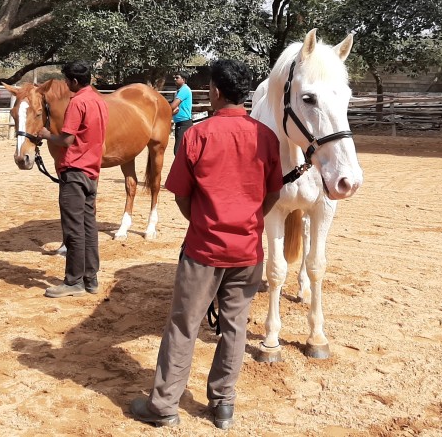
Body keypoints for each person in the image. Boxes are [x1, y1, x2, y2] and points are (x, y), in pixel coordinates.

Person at [130, 59, 283, 430]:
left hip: (204, 250)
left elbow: (181, 195)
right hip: (247, 251)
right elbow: (274, 193)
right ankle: (223, 404)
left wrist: (202, 221)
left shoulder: (198, 135)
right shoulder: (266, 137)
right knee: (235, 327)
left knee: (184, 325)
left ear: (215, 91)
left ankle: (164, 404)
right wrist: (248, 221)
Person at [38, 60, 108, 298]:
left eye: (68, 81)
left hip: (75, 170)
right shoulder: (99, 100)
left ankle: (73, 281)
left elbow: (66, 140)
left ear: (75, 81)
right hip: (91, 171)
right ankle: (91, 278)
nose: (67, 84)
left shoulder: (77, 102)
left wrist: (47, 134)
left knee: (73, 229)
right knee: (89, 227)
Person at [170, 70, 193, 156]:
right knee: (181, 151)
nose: (175, 79)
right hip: (180, 124)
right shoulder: (179, 91)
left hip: (184, 124)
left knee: (178, 151)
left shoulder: (184, 90)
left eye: (177, 78)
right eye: (174, 78)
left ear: (183, 79)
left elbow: (173, 106)